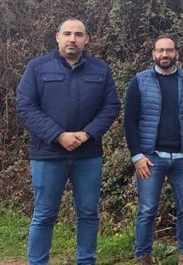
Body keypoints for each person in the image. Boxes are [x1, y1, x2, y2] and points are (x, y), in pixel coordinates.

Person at [16, 18, 121, 265]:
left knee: (88, 214)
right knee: (44, 214)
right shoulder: (37, 68)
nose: (72, 38)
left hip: (88, 154)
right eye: (67, 33)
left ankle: (86, 261)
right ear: (57, 37)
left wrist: (87, 134)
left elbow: (111, 106)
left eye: (78, 34)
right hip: (47, 154)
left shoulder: (101, 70)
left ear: (87, 39)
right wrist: (58, 135)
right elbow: (26, 106)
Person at [123, 35, 183, 265]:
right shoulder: (140, 81)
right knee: (147, 210)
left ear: (177, 53)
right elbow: (130, 121)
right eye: (160, 50)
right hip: (151, 158)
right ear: (153, 54)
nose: (165, 55)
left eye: (169, 50)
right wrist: (137, 155)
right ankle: (143, 257)